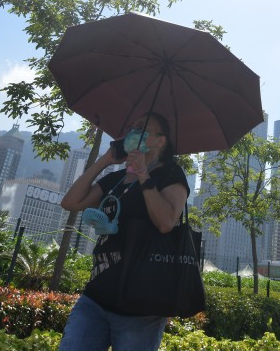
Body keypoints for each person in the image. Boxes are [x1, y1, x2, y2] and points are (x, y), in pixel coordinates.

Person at [58, 112, 190, 351]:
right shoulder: (117, 179)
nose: (133, 131)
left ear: (161, 141)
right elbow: (71, 202)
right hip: (96, 295)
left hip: (141, 305)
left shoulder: (172, 175)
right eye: (132, 127)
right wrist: (106, 160)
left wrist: (143, 175)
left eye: (142, 128)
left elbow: (166, 222)